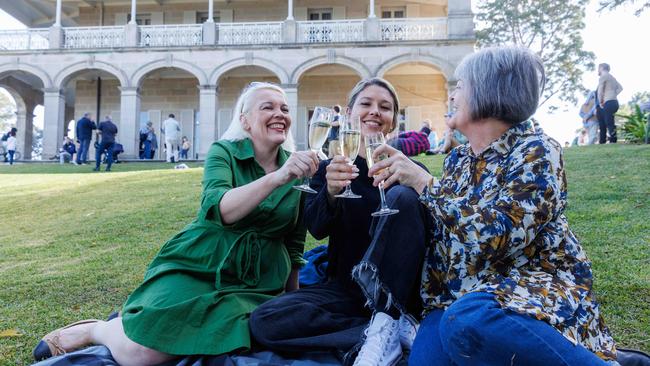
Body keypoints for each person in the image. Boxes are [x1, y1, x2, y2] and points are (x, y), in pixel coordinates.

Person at [32, 82, 318, 366]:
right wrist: (277, 177)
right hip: (202, 261)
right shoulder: (224, 153)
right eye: (267, 107)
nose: (280, 114)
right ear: (244, 120)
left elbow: (293, 241)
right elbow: (219, 208)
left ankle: (121, 327)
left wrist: (290, 297)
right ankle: (98, 329)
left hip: (258, 279)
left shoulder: (298, 169)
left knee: (211, 339)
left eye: (284, 108)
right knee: (140, 354)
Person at [365, 47, 617, 365]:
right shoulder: (457, 159)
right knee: (437, 344)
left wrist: (424, 184)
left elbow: (499, 235)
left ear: (487, 91)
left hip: (528, 284)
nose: (452, 95)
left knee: (470, 320)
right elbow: (447, 234)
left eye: (460, 86)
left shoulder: (537, 151)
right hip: (456, 299)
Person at [250, 78, 430, 366]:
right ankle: (377, 334)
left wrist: (416, 187)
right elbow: (317, 228)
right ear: (348, 113)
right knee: (265, 320)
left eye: (385, 107)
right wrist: (331, 194)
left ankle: (389, 320)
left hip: (400, 296)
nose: (375, 111)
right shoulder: (329, 169)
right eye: (366, 104)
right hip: (345, 290)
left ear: (394, 121)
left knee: (403, 198)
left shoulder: (410, 170)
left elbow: (433, 232)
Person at [596, 63, 623, 144]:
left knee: (609, 122)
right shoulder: (612, 77)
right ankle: (605, 140)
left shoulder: (603, 77)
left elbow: (600, 91)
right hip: (615, 102)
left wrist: (600, 101)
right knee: (609, 121)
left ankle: (613, 140)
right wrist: (613, 94)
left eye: (598, 68)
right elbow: (620, 88)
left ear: (601, 68)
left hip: (608, 102)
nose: (598, 70)